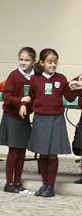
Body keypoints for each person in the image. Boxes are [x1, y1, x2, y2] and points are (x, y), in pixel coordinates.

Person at [19, 49, 80, 197]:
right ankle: (44, 184)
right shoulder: (35, 79)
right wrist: (23, 105)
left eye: (55, 62)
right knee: (42, 154)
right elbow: (31, 98)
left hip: (56, 119)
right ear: (42, 63)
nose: (53, 65)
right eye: (49, 62)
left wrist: (78, 87)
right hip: (40, 119)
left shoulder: (61, 79)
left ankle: (50, 187)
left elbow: (70, 97)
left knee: (52, 154)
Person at [0, 47, 36, 193]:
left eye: (27, 60)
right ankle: (9, 182)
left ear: (33, 61)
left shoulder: (34, 77)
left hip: (24, 118)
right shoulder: (14, 76)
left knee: (22, 151)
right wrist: (20, 101)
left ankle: (18, 181)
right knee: (13, 150)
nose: (23, 63)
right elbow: (6, 96)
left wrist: (28, 103)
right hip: (12, 117)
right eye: (21, 59)